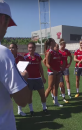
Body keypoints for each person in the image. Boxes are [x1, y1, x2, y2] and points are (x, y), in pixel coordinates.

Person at [0, 1, 29, 130]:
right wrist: (23, 76)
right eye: (7, 24)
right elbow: (22, 100)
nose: (6, 30)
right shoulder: (3, 53)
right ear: (2, 20)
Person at [24, 42, 48, 116]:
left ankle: (44, 108)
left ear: (35, 48)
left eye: (32, 47)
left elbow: (40, 67)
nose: (31, 49)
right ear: (28, 48)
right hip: (29, 79)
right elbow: (22, 69)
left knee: (42, 94)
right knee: (29, 96)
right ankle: (31, 110)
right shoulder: (25, 57)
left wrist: (43, 77)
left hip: (38, 78)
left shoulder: (38, 56)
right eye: (29, 47)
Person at [9, 43, 28, 116]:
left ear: (17, 48)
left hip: (18, 79)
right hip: (9, 80)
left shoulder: (20, 57)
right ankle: (9, 112)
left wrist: (24, 72)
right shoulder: (7, 57)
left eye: (13, 47)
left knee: (19, 95)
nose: (11, 49)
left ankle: (19, 111)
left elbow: (23, 69)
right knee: (8, 97)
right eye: (10, 48)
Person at [44, 38, 65, 107]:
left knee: (56, 87)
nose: (55, 43)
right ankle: (43, 103)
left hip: (58, 72)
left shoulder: (56, 52)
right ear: (51, 43)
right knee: (50, 88)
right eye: (54, 41)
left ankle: (56, 102)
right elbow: (46, 63)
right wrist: (53, 71)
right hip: (52, 72)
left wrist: (60, 68)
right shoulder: (49, 52)